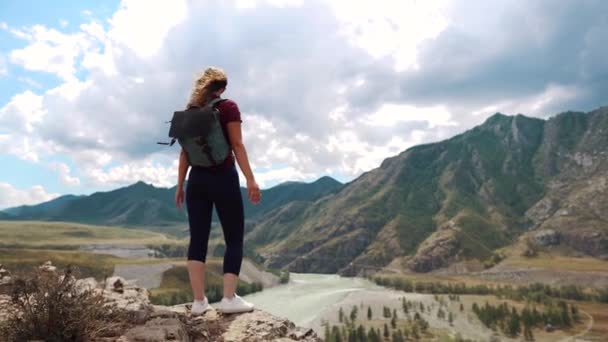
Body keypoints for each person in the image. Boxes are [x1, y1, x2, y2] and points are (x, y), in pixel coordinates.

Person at [174, 67, 261, 315]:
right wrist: (251, 180)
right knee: (233, 237)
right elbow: (237, 144)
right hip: (223, 177)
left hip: (196, 180)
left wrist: (181, 185)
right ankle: (229, 298)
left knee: (197, 238)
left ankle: (199, 303)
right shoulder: (228, 107)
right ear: (221, 89)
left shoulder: (189, 113)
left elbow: (184, 153)